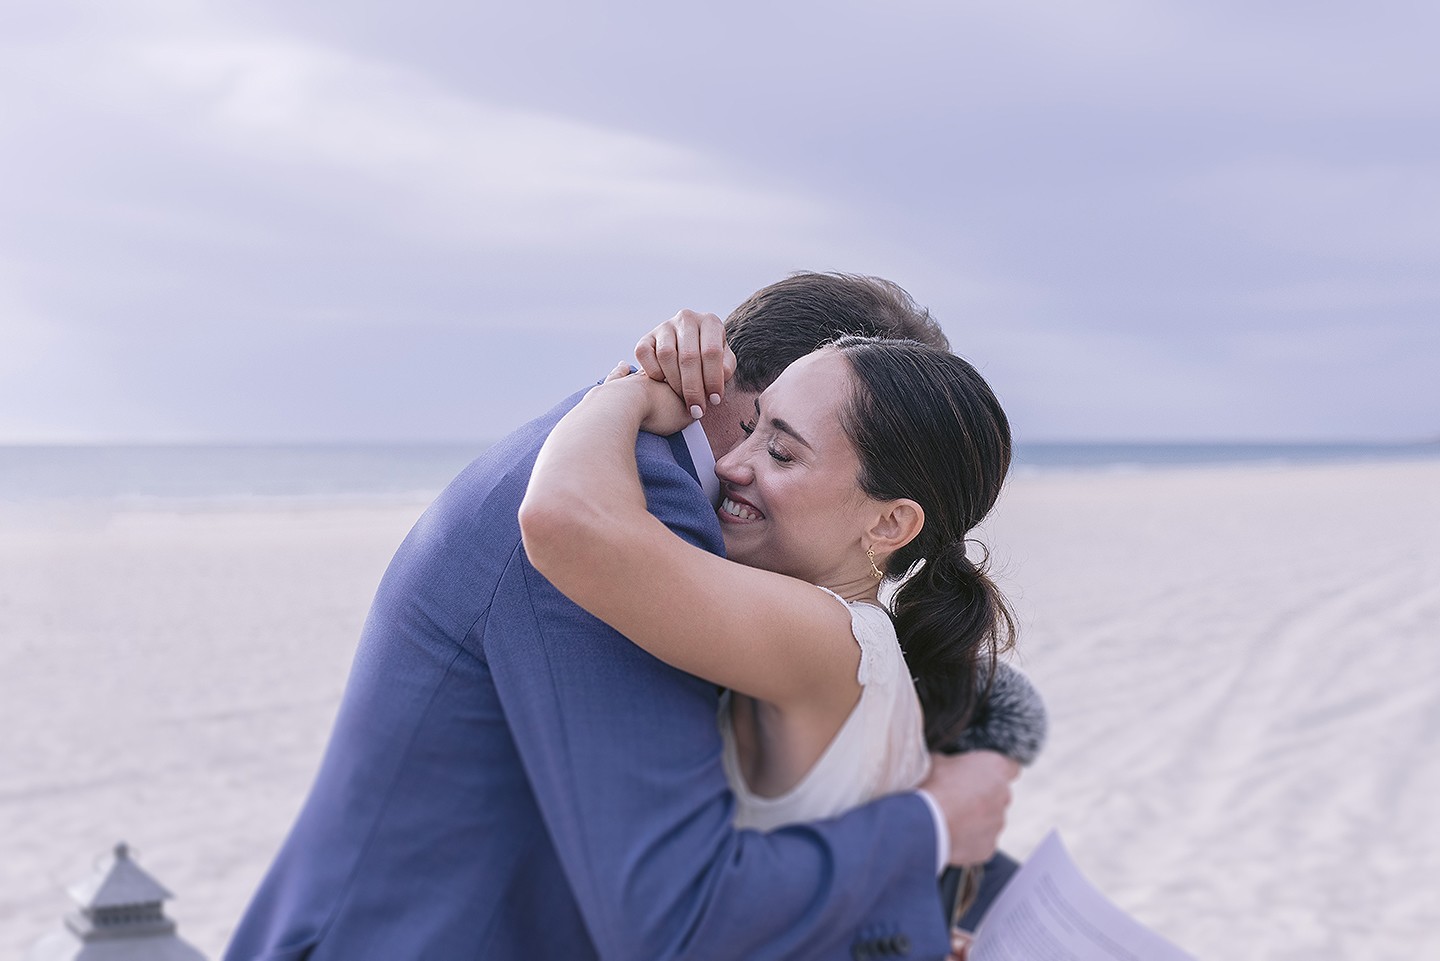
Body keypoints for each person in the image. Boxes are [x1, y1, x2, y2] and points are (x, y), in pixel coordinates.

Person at [223, 273, 1020, 961]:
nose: (744, 461)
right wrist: (931, 828)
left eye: (781, 447)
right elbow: (679, 911)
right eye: (755, 428)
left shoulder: (674, 523)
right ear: (726, 376)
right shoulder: (634, 504)